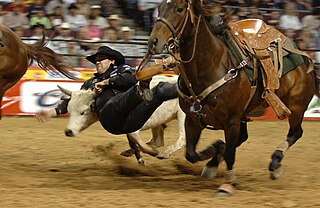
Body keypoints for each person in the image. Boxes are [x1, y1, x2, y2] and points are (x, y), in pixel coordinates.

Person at [35, 46, 178, 135]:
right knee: (114, 102)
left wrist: (107, 82)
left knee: (158, 90)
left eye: (102, 59)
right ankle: (145, 83)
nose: (97, 62)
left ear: (112, 61)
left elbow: (130, 78)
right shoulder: (90, 82)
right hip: (111, 119)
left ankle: (183, 88)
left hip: (135, 120)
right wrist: (51, 112)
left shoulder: (123, 70)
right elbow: (73, 101)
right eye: (96, 60)